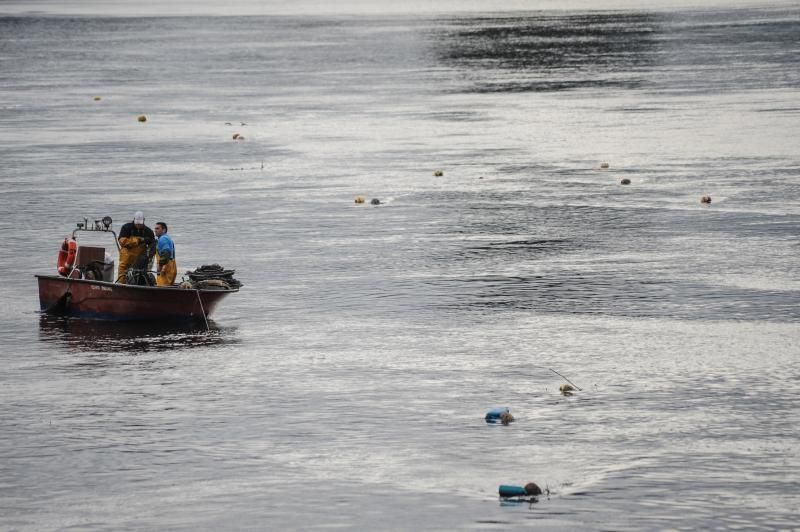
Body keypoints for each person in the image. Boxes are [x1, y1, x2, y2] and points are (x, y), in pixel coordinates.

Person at [116, 211, 155, 283]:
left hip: (140, 258)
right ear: (134, 219)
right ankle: (121, 285)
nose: (138, 225)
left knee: (140, 275)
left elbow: (153, 246)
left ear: (144, 220)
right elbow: (122, 242)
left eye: (140, 224)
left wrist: (149, 256)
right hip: (126, 257)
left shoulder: (148, 231)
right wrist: (139, 240)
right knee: (122, 273)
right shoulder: (126, 227)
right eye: (137, 224)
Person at [154, 221, 177, 287]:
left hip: (165, 268)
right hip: (172, 266)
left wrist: (160, 265)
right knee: (168, 287)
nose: (155, 230)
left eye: (158, 228)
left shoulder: (162, 239)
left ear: (164, 230)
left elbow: (166, 252)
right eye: (155, 228)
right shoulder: (168, 238)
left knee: (161, 287)